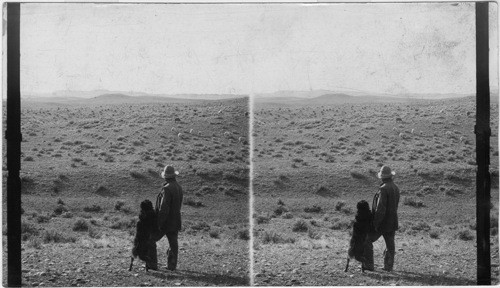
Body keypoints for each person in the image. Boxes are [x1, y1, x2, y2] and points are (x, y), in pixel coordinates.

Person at [363, 165, 400, 272]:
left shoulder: (383, 189)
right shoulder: (395, 187)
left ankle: (369, 264)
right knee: (390, 244)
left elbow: (380, 209)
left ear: (383, 177)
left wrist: (375, 223)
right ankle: (388, 266)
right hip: (392, 221)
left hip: (382, 222)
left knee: (367, 239)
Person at [154, 164, 184, 271]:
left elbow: (164, 208)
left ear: (166, 176)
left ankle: (152, 264)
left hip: (166, 221)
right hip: (176, 220)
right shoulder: (179, 187)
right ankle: (172, 265)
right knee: (173, 243)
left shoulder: (167, 188)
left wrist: (159, 222)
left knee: (151, 239)